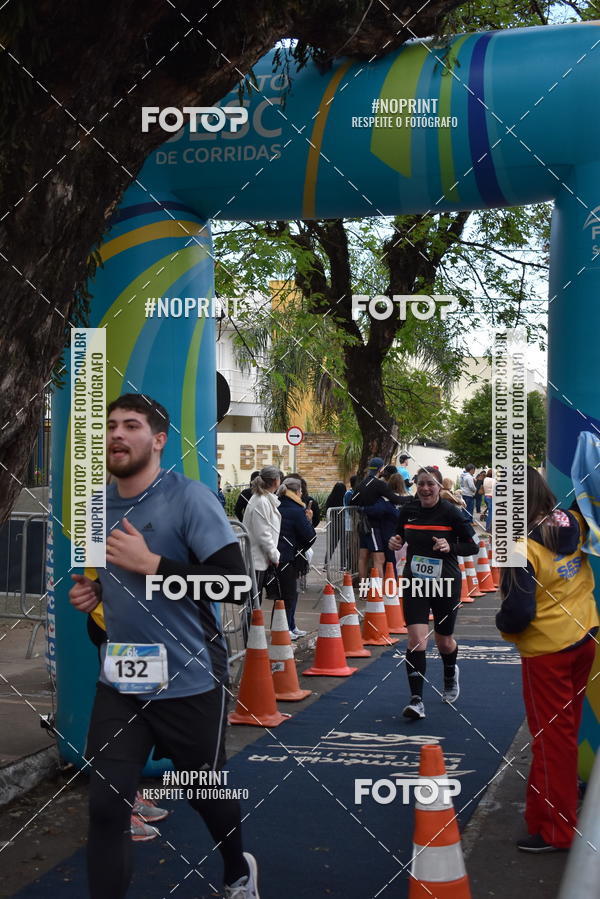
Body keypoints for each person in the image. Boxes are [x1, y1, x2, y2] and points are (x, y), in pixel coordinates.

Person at [68, 393, 259, 899]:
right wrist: (91, 601)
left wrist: (153, 565)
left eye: (131, 425)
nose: (116, 434)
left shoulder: (190, 498)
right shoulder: (93, 509)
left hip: (190, 675)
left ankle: (238, 869)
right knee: (107, 805)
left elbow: (234, 585)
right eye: (110, 425)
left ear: (157, 440)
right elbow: (105, 612)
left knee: (203, 793)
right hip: (123, 677)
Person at [496, 468, 598, 853]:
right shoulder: (572, 520)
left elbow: (517, 614)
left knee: (552, 740)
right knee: (560, 735)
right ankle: (546, 816)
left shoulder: (521, 549)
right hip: (583, 638)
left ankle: (557, 830)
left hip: (548, 654)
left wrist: (501, 621)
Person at [389, 466, 479, 720]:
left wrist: (450, 545)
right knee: (417, 640)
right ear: (415, 485)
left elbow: (472, 546)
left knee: (444, 641)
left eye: (431, 484)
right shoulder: (408, 510)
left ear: (440, 487)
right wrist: (394, 542)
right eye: (421, 483)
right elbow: (398, 537)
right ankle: (416, 700)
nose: (426, 488)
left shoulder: (451, 512)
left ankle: (450, 672)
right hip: (415, 581)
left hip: (446, 581)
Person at [351, 457, 408, 580]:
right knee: (379, 558)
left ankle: (363, 590)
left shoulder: (362, 483)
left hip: (363, 524)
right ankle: (378, 592)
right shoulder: (379, 484)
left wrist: (363, 508)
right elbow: (396, 499)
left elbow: (353, 500)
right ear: (381, 469)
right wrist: (413, 499)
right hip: (373, 526)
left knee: (363, 557)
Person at [275, 477, 317, 638]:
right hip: (291, 556)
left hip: (278, 554)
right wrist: (309, 520)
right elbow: (309, 535)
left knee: (284, 593)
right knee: (290, 593)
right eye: (300, 491)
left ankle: (290, 626)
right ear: (297, 492)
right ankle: (286, 627)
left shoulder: (276, 505)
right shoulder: (297, 510)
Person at [242, 466, 281, 603]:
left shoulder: (262, 499)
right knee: (254, 601)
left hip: (260, 558)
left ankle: (252, 623)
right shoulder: (261, 501)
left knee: (254, 600)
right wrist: (274, 555)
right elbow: (263, 534)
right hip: (257, 558)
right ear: (276, 481)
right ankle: (251, 624)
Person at [483, 468, 496, 533]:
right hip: (491, 497)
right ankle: (488, 528)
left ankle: (488, 527)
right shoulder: (493, 480)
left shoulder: (485, 479)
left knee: (489, 513)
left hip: (486, 496)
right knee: (491, 514)